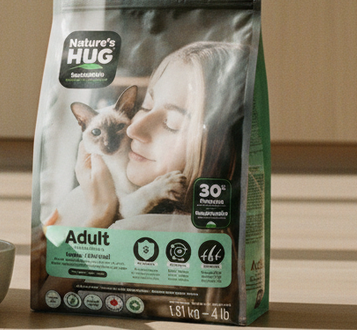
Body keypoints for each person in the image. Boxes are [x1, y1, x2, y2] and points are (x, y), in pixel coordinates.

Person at [45, 41, 250, 230]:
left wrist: (101, 214)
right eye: (145, 107)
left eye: (172, 123)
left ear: (220, 149)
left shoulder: (166, 227)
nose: (132, 130)